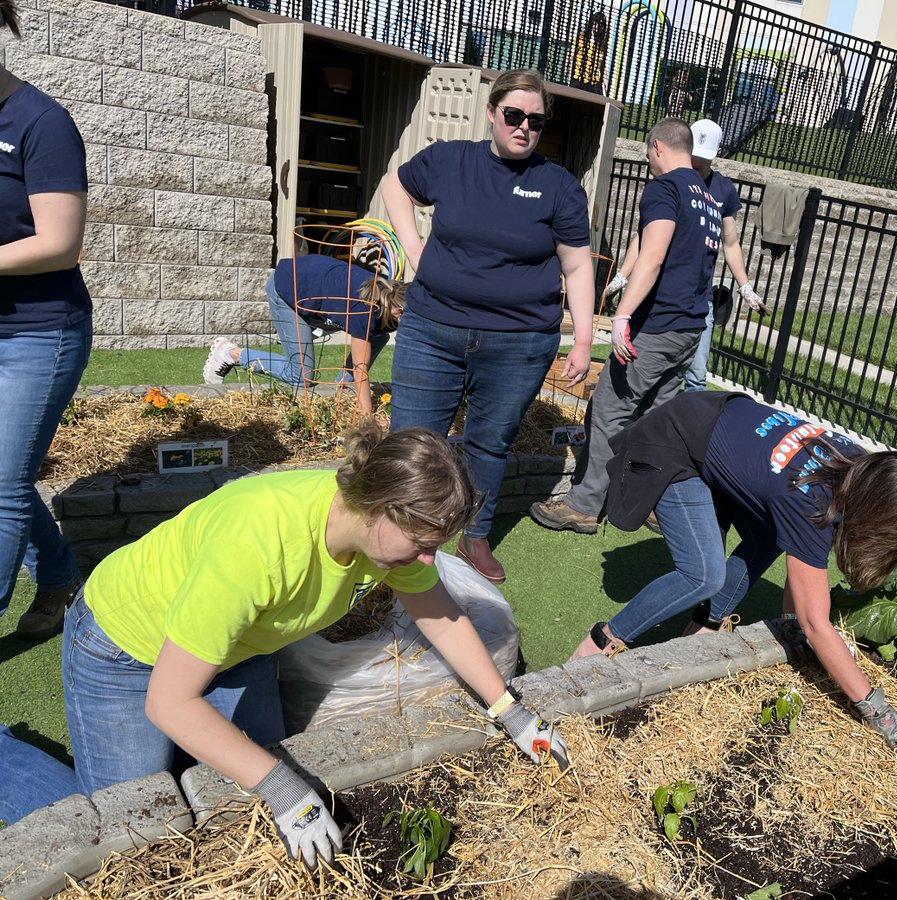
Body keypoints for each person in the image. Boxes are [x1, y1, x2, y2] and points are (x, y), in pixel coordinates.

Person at [61, 423, 568, 867]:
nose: (429, 561)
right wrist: (283, 789)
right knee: (132, 826)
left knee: (245, 793)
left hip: (239, 650)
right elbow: (170, 702)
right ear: (378, 508)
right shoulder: (256, 545)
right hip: (126, 651)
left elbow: (441, 616)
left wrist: (510, 710)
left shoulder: (384, 539)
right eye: (421, 544)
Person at [572, 390, 897, 759]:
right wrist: (881, 713)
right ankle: (603, 639)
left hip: (715, 419)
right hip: (674, 442)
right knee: (703, 575)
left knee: (771, 535)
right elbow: (816, 623)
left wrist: (790, 624)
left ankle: (707, 624)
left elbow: (803, 587)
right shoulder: (811, 502)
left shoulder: (859, 466)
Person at [381, 68, 595, 585]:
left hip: (519, 341)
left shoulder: (559, 186)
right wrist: (414, 249)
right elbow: (396, 186)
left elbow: (578, 264)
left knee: (489, 443)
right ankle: (403, 533)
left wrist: (584, 338)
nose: (524, 127)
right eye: (514, 115)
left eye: (536, 121)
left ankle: (475, 534)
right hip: (432, 329)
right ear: (492, 112)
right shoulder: (450, 161)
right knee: (413, 439)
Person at [530, 118, 715, 535]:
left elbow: (653, 257)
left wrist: (623, 315)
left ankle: (582, 506)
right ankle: (642, 502)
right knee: (654, 419)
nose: (649, 160)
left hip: (658, 325)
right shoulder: (706, 197)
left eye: (649, 153)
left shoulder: (665, 188)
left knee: (609, 410)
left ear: (657, 147)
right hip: (689, 329)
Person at [0, 0, 92, 641]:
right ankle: (59, 578)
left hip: (39, 331)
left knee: (1, 485)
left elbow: (59, 241)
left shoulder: (41, 122)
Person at [604, 119, 764, 393]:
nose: (696, 164)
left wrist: (745, 286)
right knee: (643, 376)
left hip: (698, 298)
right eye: (693, 157)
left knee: (696, 374)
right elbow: (645, 238)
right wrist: (622, 275)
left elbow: (731, 241)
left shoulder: (722, 189)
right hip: (664, 295)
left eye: (702, 160)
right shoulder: (671, 182)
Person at [204, 252, 405, 421]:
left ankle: (342, 389)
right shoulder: (364, 309)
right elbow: (361, 370)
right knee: (301, 374)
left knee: (379, 336)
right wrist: (368, 419)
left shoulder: (391, 295)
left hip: (312, 283)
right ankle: (230, 353)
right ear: (397, 309)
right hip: (287, 288)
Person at [570, 12, 608, 94]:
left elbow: (602, 65)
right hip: (579, 77)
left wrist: (606, 83)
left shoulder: (601, 44)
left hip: (594, 81)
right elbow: (571, 54)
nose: (599, 27)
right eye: (597, 23)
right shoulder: (581, 37)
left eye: (601, 25)